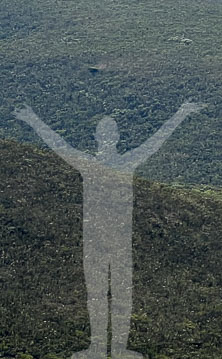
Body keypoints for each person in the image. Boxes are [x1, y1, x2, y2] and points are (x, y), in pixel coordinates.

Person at [14, 102, 205, 359]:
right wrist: (33, 119)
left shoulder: (114, 163)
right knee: (97, 295)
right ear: (100, 137)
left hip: (117, 242)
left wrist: (180, 114)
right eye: (103, 133)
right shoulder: (102, 164)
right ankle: (98, 347)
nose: (106, 137)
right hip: (97, 241)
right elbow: (58, 145)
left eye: (109, 133)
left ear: (114, 137)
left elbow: (156, 140)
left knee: (120, 296)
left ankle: (117, 349)